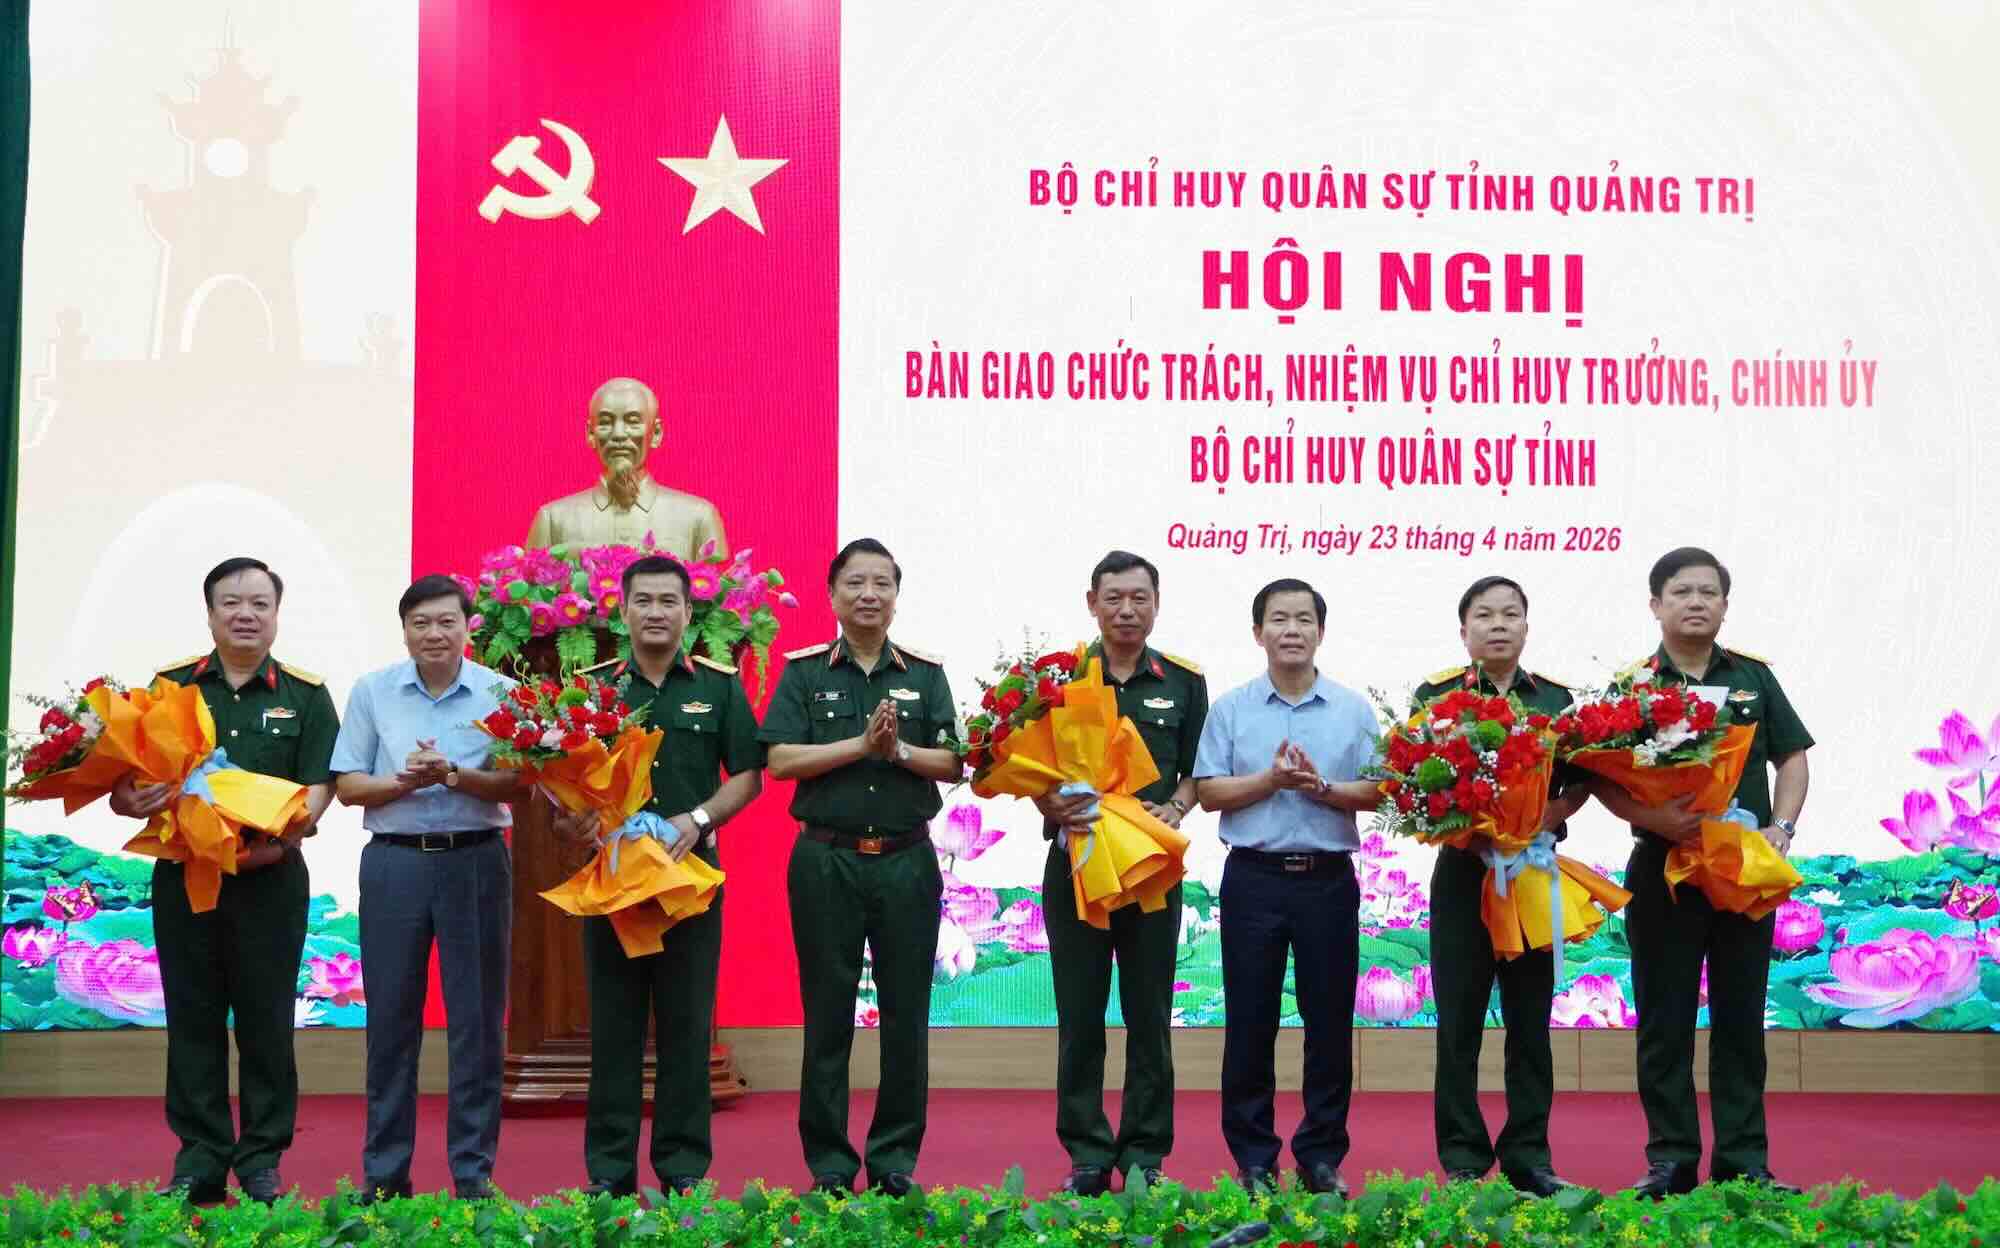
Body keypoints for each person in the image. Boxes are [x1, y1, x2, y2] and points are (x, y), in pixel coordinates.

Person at [113, 557, 337, 1206]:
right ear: (210, 613)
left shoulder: (304, 694)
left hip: (270, 880)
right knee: (193, 1018)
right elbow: (126, 786)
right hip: (186, 877)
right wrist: (131, 799)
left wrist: (287, 837)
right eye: (232, 603)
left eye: (259, 603)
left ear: (276, 614)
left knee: (268, 1021)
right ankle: (200, 1158)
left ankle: (262, 1159)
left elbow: (320, 784)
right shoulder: (167, 689)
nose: (246, 614)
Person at [1593, 548, 1812, 1198]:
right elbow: (1600, 779)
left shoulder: (1753, 679)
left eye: (1709, 592)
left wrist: (1784, 827)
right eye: (1682, 591)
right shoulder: (1633, 688)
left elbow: (1792, 759)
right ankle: (1671, 1161)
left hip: (1743, 868)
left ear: (1724, 604)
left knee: (1743, 1018)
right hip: (1664, 871)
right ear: (1656, 604)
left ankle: (1745, 1161)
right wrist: (1654, 818)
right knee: (1665, 1022)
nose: (1696, 602)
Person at [549, 555, 763, 1196]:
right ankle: (609, 1176)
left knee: (686, 1029)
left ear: (689, 614)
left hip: (689, 883)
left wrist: (698, 818)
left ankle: (683, 1171)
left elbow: (749, 776)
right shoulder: (592, 689)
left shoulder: (720, 687)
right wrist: (573, 822)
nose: (656, 613)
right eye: (643, 601)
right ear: (622, 611)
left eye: (669, 601)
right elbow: (555, 784)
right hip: (613, 884)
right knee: (613, 1034)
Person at [760, 538, 961, 1196]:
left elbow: (955, 763)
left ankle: (896, 1159)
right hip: (826, 859)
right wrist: (859, 745)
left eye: (881, 584)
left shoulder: (926, 675)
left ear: (896, 598)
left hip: (906, 861)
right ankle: (829, 1166)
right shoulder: (805, 672)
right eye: (855, 583)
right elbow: (782, 761)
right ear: (833, 595)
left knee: (907, 1015)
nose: (868, 594)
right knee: (827, 1014)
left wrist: (897, 749)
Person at [330, 574, 528, 1201]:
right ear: (405, 630)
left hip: (476, 863)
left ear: (470, 626)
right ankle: (385, 1176)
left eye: (447, 621)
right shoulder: (373, 691)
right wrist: (405, 784)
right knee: (390, 1022)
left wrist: (455, 775)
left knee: (477, 1024)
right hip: (394, 865)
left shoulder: (504, 693)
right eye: (421, 623)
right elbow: (347, 787)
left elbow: (521, 785)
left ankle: (473, 1174)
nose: (434, 633)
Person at [1192, 577, 1379, 1197]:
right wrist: (1271, 782)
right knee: (1249, 1022)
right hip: (1254, 879)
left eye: (1304, 619)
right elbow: (1210, 790)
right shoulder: (1232, 708)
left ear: (1321, 632)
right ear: (1258, 633)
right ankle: (1253, 1158)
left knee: (1329, 1024)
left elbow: (1382, 790)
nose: (1291, 630)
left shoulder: (1353, 709)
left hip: (1327, 882)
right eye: (1279, 619)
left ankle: (1320, 1156)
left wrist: (1321, 788)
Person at [1033, 551, 1207, 1195]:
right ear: (1092, 602)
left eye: (1139, 598)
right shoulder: (1057, 679)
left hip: (1150, 872)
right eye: (1114, 598)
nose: (1127, 610)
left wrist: (1179, 803)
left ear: (1156, 604)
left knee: (1148, 1015)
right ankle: (1084, 1151)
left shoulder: (1185, 681)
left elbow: (1196, 772)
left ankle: (1143, 1154)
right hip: (1076, 864)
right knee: (1079, 1015)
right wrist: (1044, 802)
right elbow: (1034, 764)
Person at [1408, 575, 1588, 1196]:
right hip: (1464, 873)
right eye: (1484, 615)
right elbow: (1415, 784)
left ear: (1526, 627)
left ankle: (1528, 1154)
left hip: (1534, 871)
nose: (1498, 624)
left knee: (1530, 1022)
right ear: (1464, 630)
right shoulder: (1434, 696)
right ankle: (1461, 1155)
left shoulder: (1558, 699)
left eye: (1511, 614)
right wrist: (1466, 822)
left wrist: (1551, 815)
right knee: (1458, 1021)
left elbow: (1585, 779)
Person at [524, 376, 729, 556]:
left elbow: (714, 594)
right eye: (605, 422)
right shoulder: (553, 519)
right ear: (590, 433)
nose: (619, 434)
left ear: (656, 433)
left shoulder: (698, 517)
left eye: (633, 422)